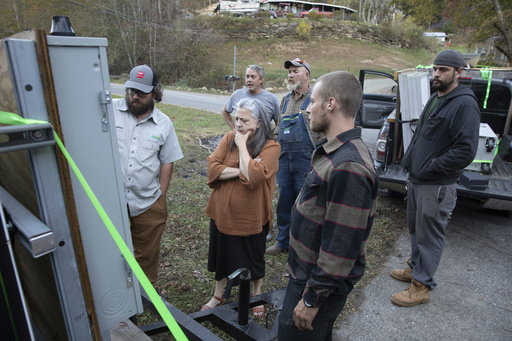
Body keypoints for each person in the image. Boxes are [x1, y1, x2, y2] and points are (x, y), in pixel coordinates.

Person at [277, 71, 379, 340]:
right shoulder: (334, 150)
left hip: (316, 284)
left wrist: (312, 299)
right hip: (308, 275)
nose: (307, 109)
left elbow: (341, 245)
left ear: (330, 104)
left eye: (313, 101)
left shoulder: (349, 165)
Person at [390, 49, 480, 307]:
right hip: (418, 179)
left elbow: (465, 150)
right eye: (435, 68)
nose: (436, 74)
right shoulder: (437, 97)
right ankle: (416, 269)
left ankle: (422, 286)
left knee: (429, 235)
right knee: (416, 230)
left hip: (436, 184)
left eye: (443, 70)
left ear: (459, 72)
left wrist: (431, 167)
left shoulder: (464, 104)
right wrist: (411, 163)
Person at [203, 98, 280, 318]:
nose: (238, 124)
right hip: (222, 212)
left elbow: (255, 176)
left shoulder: (271, 146)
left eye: (244, 120)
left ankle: (256, 297)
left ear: (258, 122)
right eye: (236, 119)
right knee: (221, 256)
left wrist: (242, 147)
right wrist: (240, 171)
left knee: (254, 258)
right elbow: (212, 167)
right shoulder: (229, 138)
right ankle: (218, 294)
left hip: (252, 216)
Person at [113, 64, 183, 284]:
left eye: (142, 92)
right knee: (112, 251)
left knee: (146, 254)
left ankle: (143, 297)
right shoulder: (109, 111)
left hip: (147, 202)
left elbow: (167, 160)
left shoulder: (164, 124)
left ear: (155, 92)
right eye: (131, 90)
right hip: (111, 200)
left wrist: (161, 194)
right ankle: (115, 294)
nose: (135, 96)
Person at [266, 58, 324, 255]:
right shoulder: (285, 100)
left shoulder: (316, 99)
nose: (290, 75)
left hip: (306, 160)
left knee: (306, 203)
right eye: (289, 72)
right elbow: (278, 130)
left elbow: (323, 131)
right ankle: (283, 242)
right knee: (284, 201)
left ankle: (303, 244)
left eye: (295, 71)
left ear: (306, 75)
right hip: (284, 159)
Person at [221, 65, 280, 131]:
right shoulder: (237, 94)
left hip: (264, 140)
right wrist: (234, 129)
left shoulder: (271, 99)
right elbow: (224, 111)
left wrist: (273, 137)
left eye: (253, 77)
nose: (249, 80)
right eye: (247, 76)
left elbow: (279, 124)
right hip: (241, 139)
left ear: (261, 79)